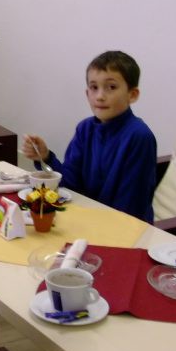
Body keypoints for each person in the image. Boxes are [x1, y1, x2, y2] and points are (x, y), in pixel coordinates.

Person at [22, 50, 157, 222]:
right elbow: (70, 184)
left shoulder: (139, 136)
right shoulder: (85, 129)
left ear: (132, 94)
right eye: (94, 88)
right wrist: (45, 157)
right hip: (86, 218)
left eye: (111, 87)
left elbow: (131, 207)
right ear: (87, 94)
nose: (100, 96)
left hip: (122, 226)